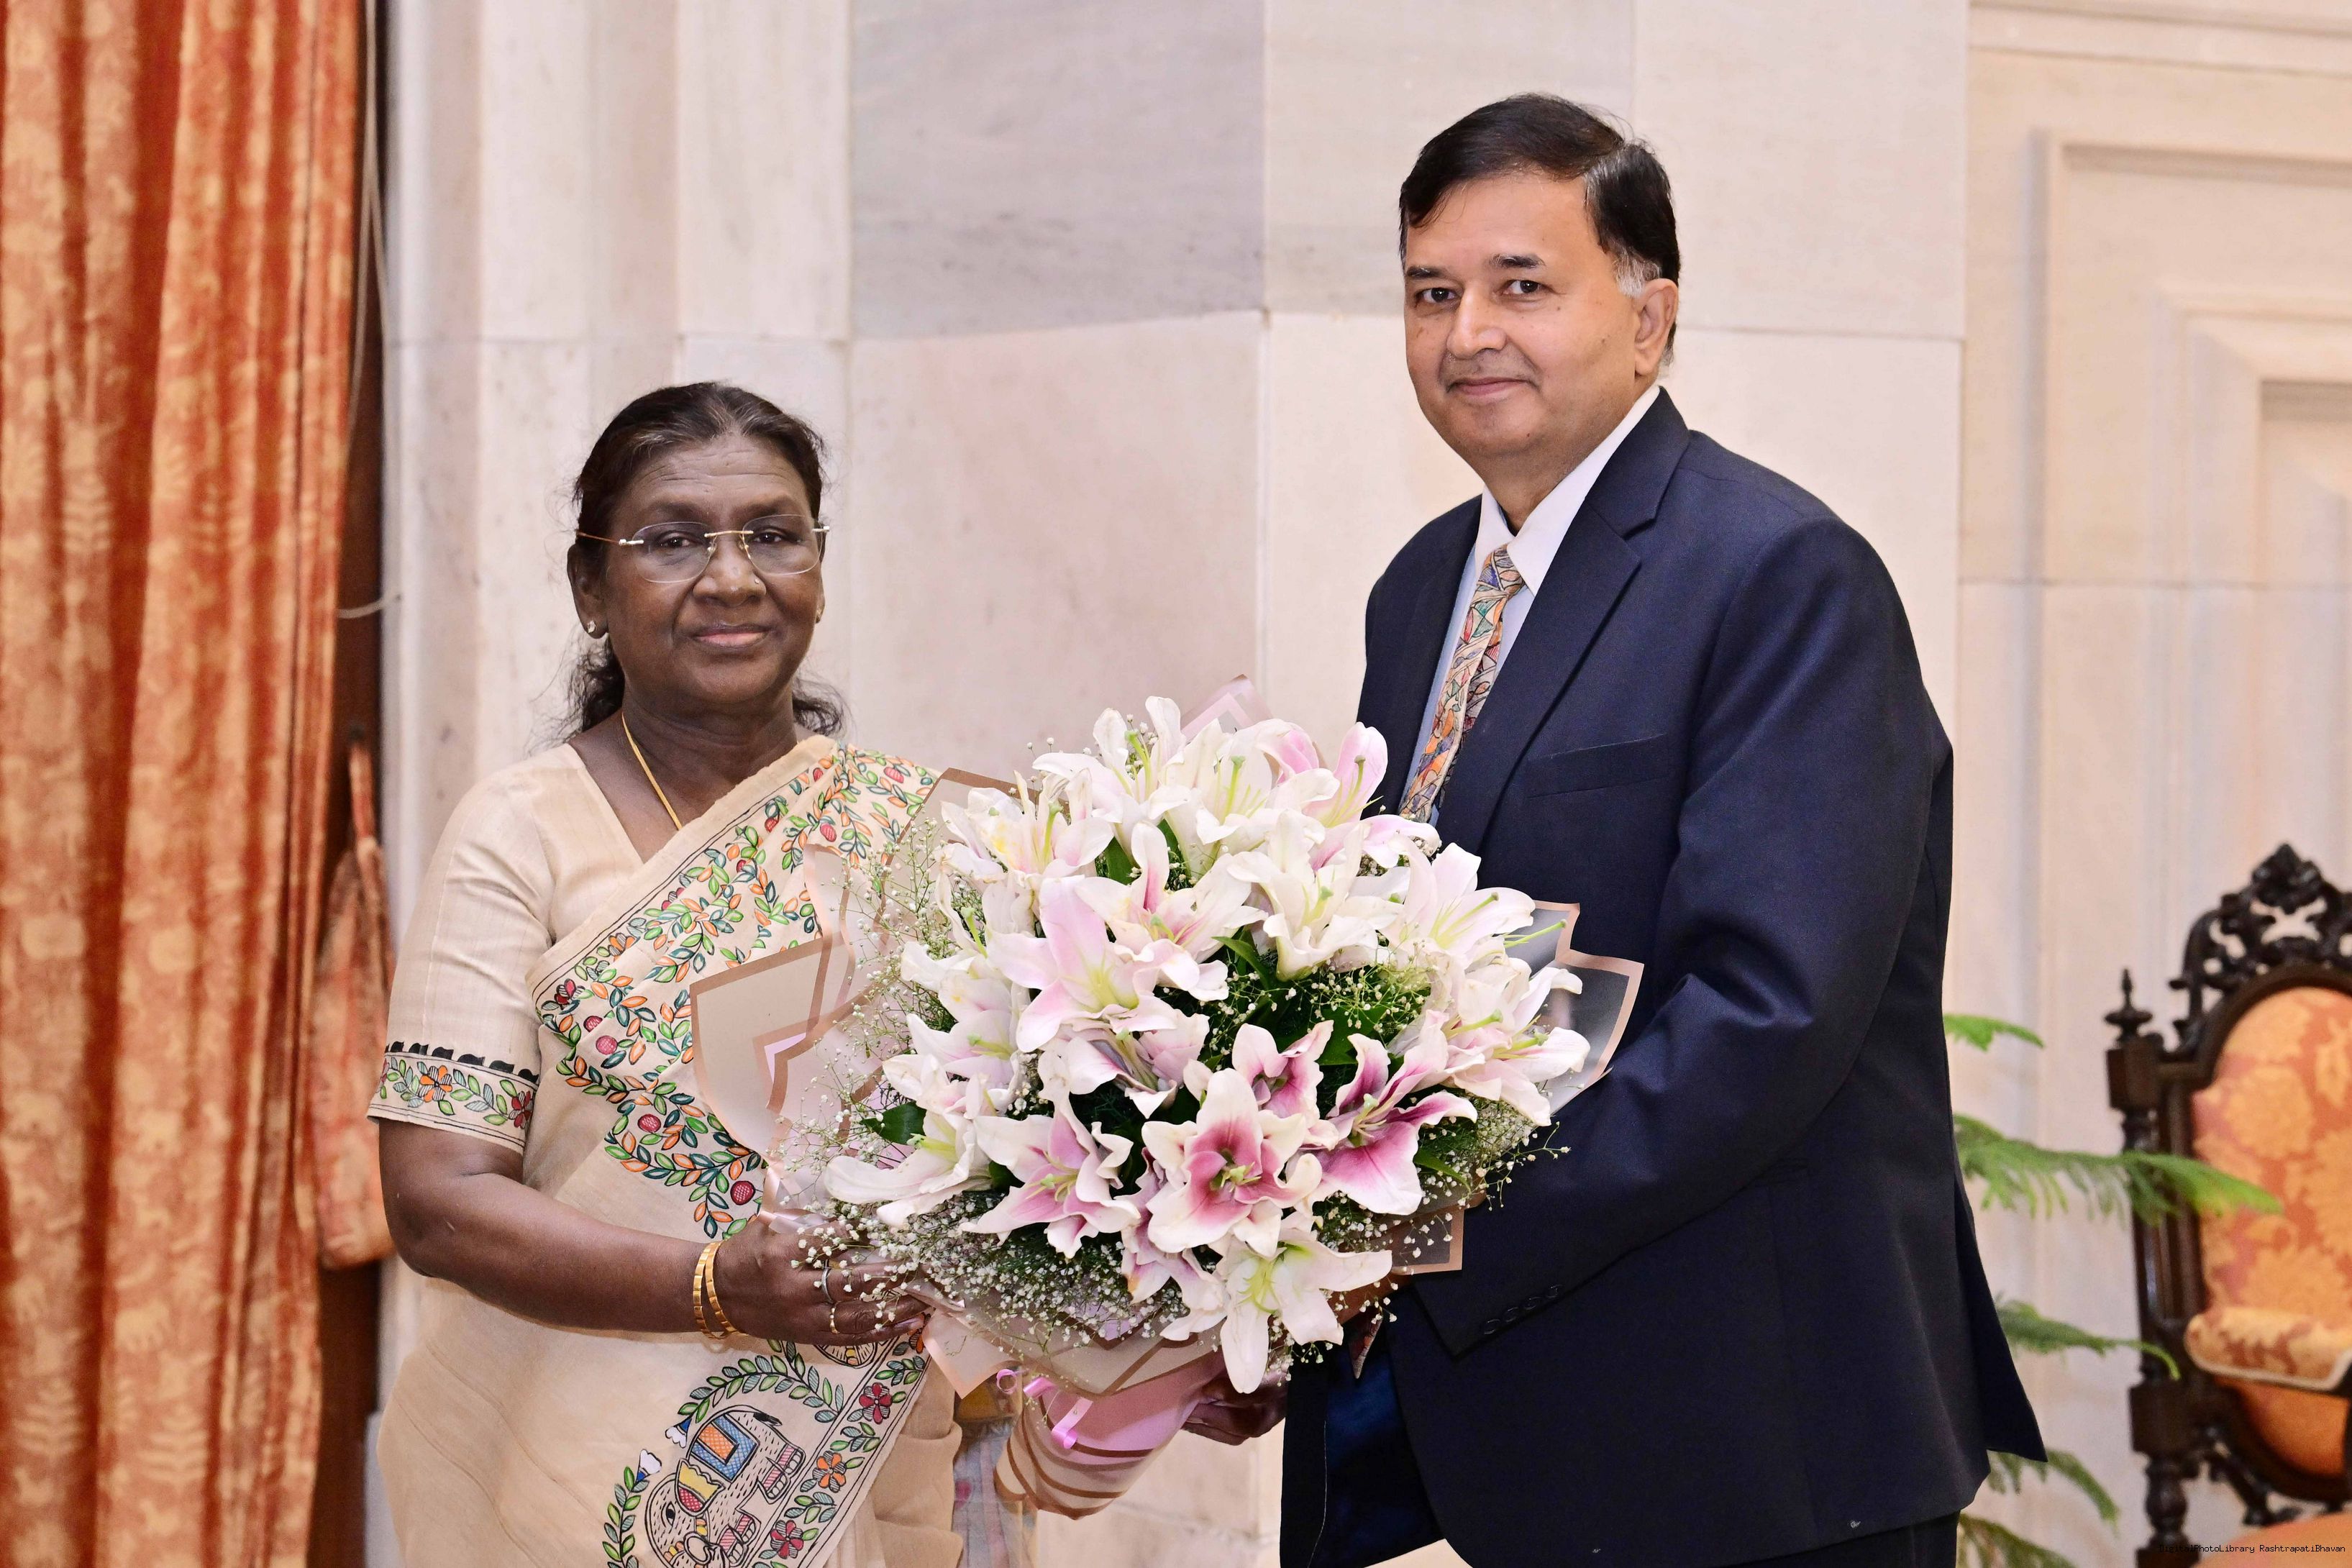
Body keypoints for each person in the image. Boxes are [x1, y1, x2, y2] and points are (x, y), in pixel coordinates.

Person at [1190, 96, 2045, 1567]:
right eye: (1430, 294)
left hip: (1749, 1434)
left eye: (1522, 285)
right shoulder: (1423, 587)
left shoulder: (1778, 574)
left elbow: (1767, 1016)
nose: (1469, 334)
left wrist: (1421, 1227)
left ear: (1648, 320)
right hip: (1518, 1429)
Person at [372, 383, 963, 1568]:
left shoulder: (922, 835)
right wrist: (713, 1286)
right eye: (673, 540)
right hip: (565, 1479)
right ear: (591, 588)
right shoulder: (520, 832)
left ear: (818, 567)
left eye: (773, 534)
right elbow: (438, 1200)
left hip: (863, 1469)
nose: (732, 578)